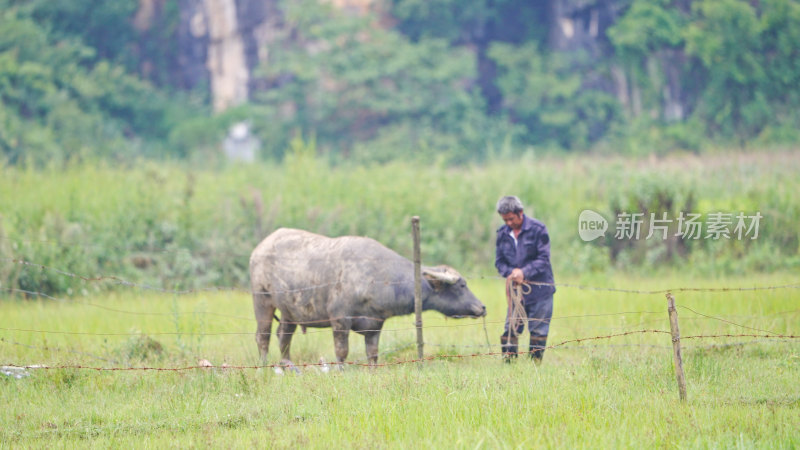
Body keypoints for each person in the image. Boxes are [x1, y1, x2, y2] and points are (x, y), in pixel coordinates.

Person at [495, 196, 555, 363]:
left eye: (511, 219)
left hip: (540, 292)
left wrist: (524, 272)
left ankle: (534, 367)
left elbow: (543, 259)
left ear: (520, 213)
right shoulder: (502, 234)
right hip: (516, 293)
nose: (508, 223)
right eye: (505, 219)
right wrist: (512, 272)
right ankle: (509, 366)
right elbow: (499, 262)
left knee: (538, 331)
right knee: (510, 330)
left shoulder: (538, 230)